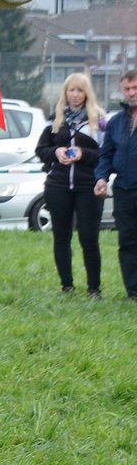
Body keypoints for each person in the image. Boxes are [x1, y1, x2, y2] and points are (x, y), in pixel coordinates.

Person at [36, 73, 105, 297]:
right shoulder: (54, 120)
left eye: (79, 90)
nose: (75, 95)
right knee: (61, 236)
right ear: (65, 93)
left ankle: (94, 288)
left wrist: (83, 154)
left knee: (89, 237)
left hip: (88, 187)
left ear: (87, 93)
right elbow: (41, 150)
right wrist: (55, 152)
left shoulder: (100, 121)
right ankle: (67, 285)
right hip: (58, 186)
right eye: (71, 90)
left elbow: (104, 154)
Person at [95, 68, 137, 300]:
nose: (131, 93)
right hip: (123, 190)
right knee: (127, 241)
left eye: (135, 88)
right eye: (127, 89)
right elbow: (106, 155)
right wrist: (101, 178)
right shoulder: (116, 122)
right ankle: (133, 291)